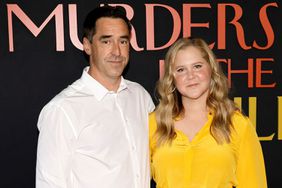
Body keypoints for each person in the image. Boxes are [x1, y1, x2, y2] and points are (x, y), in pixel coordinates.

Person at [36, 5, 154, 188]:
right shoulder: (62, 109)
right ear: (87, 45)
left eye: (123, 41)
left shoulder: (140, 96)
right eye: (106, 41)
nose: (117, 51)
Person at [149, 37, 267, 188]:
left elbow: (254, 183)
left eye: (197, 66)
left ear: (211, 69)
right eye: (181, 70)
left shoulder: (237, 124)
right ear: (172, 78)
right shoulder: (155, 123)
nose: (190, 76)